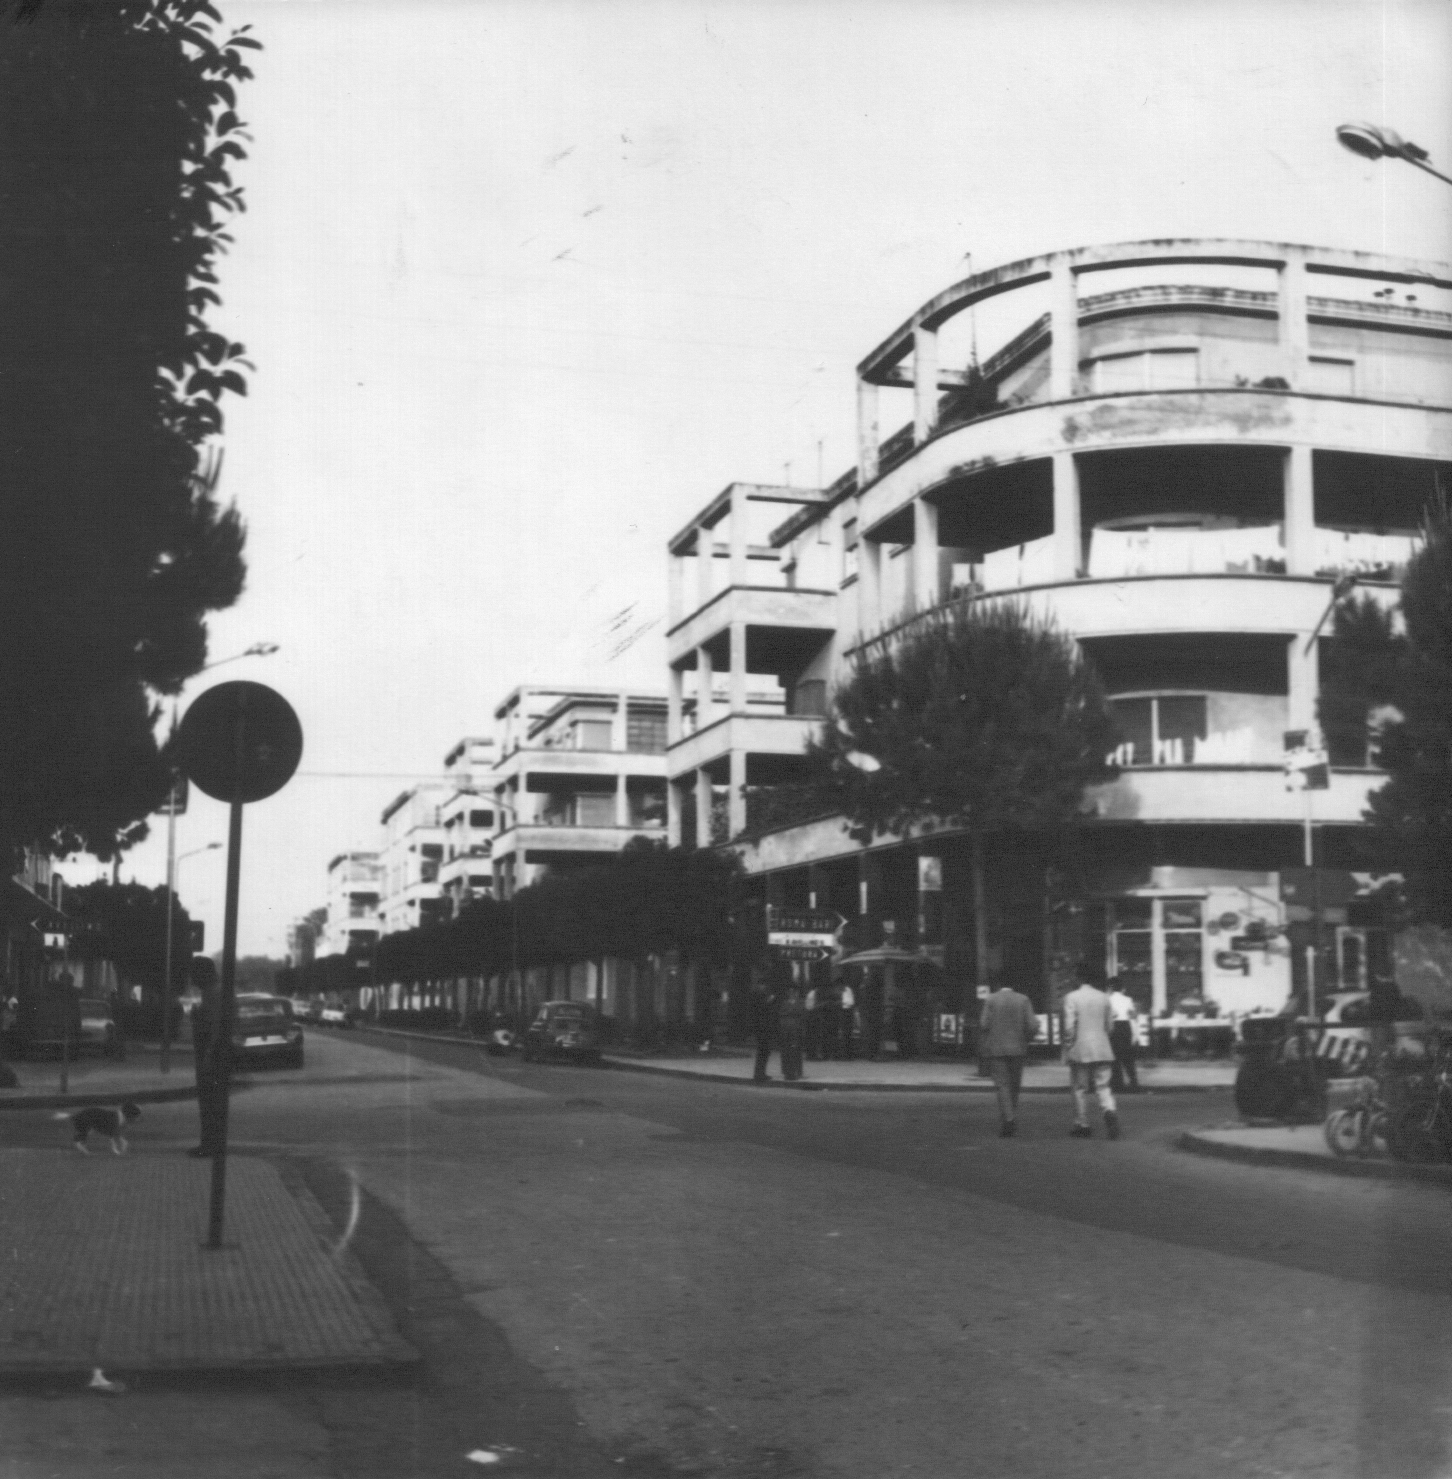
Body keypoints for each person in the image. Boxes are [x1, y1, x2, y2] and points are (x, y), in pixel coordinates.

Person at [1063, 962, 1120, 1140]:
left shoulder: (1071, 997)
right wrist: (1103, 1037)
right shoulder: (1104, 997)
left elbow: (1069, 1027)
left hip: (1080, 1048)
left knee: (1080, 1088)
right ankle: (1109, 1110)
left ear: (1079, 977)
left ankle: (1082, 1123)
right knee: (1103, 1086)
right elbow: (1110, 1026)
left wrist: (1068, 1045)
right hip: (1102, 1047)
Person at [978, 981, 1039, 1136]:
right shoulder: (1023, 1000)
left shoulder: (991, 999)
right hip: (1018, 1048)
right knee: (1014, 1085)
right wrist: (1028, 1038)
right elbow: (1032, 1025)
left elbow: (984, 1023)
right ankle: (1010, 1114)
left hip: (997, 1048)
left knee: (1002, 1085)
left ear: (998, 984)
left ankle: (1008, 1118)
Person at [189, 962, 228, 1157]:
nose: (192, 980)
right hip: (212, 1053)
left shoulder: (214, 993)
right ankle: (210, 1144)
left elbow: (216, 1028)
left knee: (210, 1103)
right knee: (210, 1103)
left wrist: (208, 1055)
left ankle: (210, 1146)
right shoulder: (213, 991)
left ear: (204, 974)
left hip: (212, 1055)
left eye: (194, 975)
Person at [1107, 977, 1141, 1093]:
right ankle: (1133, 1082)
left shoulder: (1108, 1000)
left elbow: (1108, 1017)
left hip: (1114, 1028)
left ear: (1111, 988)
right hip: (1125, 1027)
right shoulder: (1128, 1000)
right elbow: (1133, 1017)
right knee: (1128, 1057)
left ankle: (1117, 1083)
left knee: (1115, 1057)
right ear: (1122, 988)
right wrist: (1135, 1034)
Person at [749, 977, 779, 1083]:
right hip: (762, 1028)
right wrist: (769, 1000)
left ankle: (761, 1073)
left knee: (764, 1051)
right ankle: (759, 1073)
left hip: (762, 1027)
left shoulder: (759, 995)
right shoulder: (758, 995)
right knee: (763, 1051)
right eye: (763, 985)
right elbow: (762, 1009)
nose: (764, 987)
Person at [778, 984, 806, 1082]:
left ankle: (798, 1071)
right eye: (790, 992)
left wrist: (790, 1012)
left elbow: (801, 1013)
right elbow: (781, 1014)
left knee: (796, 1051)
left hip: (797, 1029)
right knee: (786, 1051)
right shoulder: (784, 1003)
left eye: (794, 992)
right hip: (786, 1029)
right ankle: (786, 1071)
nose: (792, 994)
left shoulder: (801, 1002)